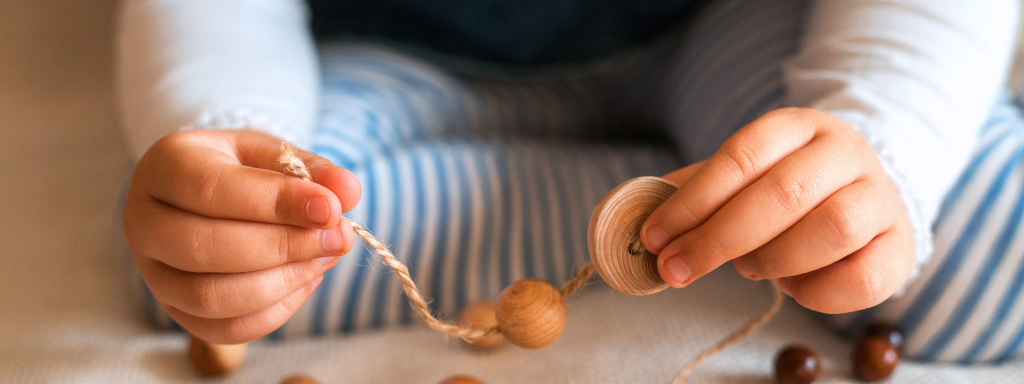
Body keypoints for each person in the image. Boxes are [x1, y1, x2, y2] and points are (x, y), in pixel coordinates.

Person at [117, 0, 1023, 363]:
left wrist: (885, 140)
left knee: (981, 247)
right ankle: (655, 198)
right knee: (238, 260)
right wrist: (226, 126)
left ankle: (696, 197)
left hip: (727, 26)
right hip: (393, 49)